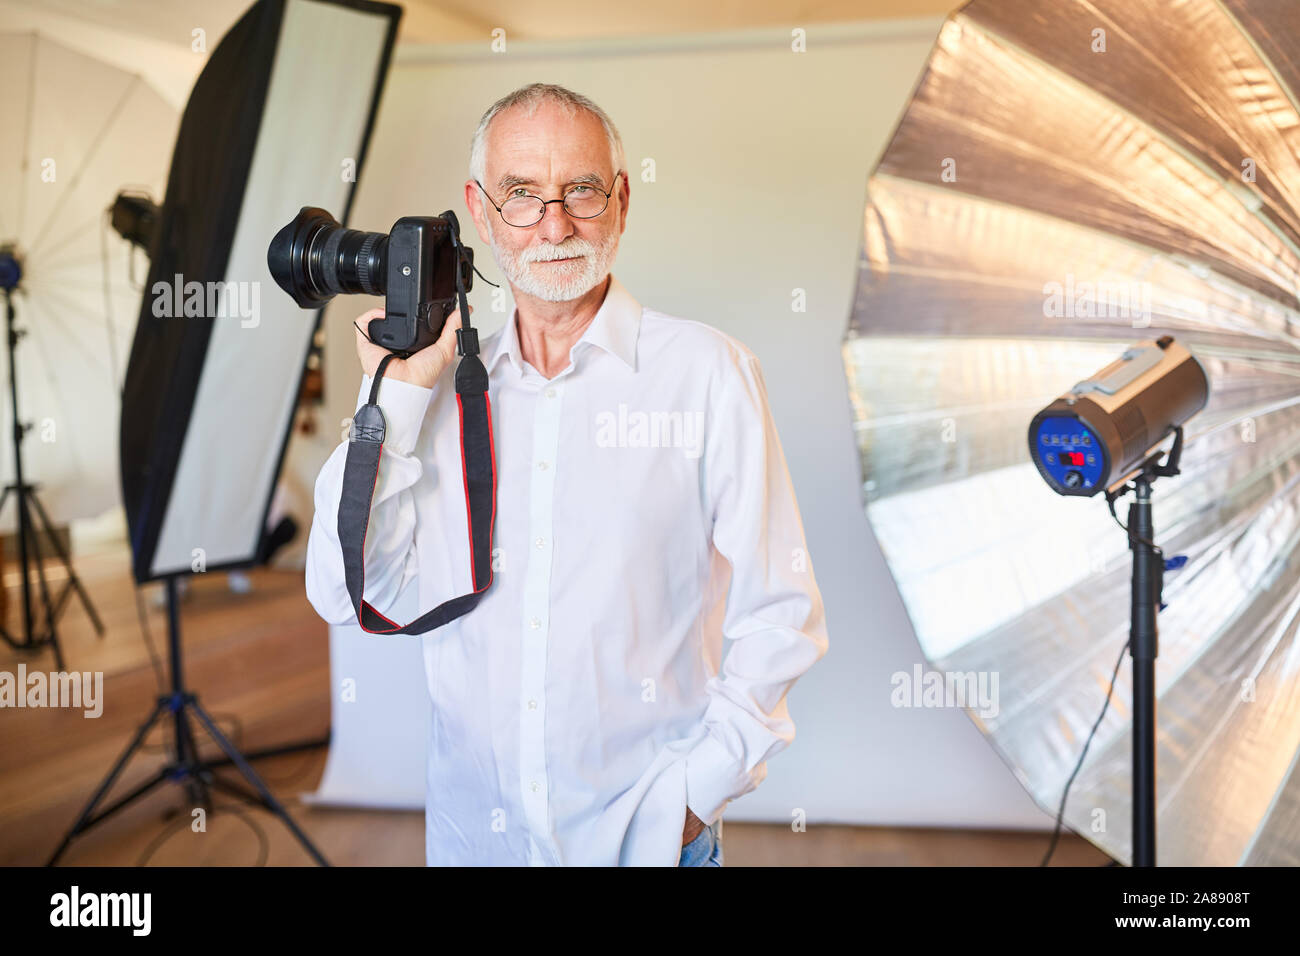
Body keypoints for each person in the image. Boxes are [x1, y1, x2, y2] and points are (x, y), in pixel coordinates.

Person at [305, 83, 828, 866]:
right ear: (480, 212)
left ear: (620, 201)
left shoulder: (710, 375)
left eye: (580, 190)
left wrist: (692, 800)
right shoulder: (432, 382)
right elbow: (344, 593)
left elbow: (781, 610)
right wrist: (400, 401)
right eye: (523, 194)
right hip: (472, 837)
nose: (555, 224)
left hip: (649, 844)